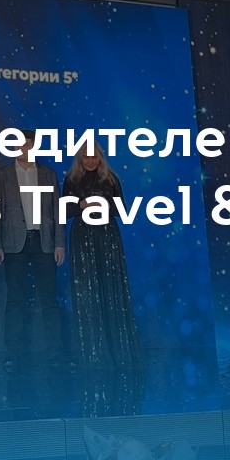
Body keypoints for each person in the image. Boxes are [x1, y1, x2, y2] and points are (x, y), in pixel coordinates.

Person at [63, 144, 143, 370]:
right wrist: (81, 204)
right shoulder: (71, 180)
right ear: (80, 159)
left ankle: (120, 350)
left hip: (107, 236)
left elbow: (123, 211)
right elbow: (64, 210)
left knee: (111, 288)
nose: (90, 161)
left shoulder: (111, 178)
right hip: (82, 237)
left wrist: (106, 204)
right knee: (87, 291)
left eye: (94, 156)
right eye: (85, 157)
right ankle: (95, 353)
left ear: (100, 157)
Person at [0, 129, 68, 369]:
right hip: (13, 241)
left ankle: (55, 354)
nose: (22, 148)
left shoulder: (48, 173)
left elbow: (57, 210)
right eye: (18, 144)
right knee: (15, 298)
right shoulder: (3, 174)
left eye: (27, 144)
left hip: (44, 240)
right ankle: (12, 354)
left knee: (49, 299)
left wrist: (60, 243)